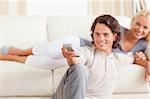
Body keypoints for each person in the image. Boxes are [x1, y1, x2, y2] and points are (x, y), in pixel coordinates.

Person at [52, 14, 131, 99]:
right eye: (97, 34)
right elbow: (78, 59)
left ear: (114, 37)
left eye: (105, 34)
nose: (101, 38)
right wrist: (72, 58)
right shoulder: (86, 52)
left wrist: (144, 62)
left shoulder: (118, 59)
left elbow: (135, 58)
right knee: (80, 69)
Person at [0, 35, 92, 70]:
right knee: (50, 50)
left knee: (49, 64)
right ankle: (22, 52)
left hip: (81, 57)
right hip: (78, 43)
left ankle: (13, 57)